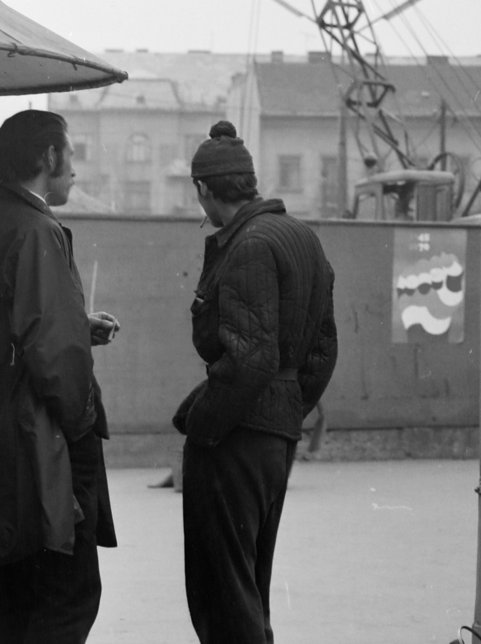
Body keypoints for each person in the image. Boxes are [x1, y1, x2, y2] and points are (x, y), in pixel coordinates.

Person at [0, 109, 120, 644]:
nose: (75, 172)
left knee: (7, 602)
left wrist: (72, 325)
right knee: (65, 600)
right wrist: (85, 426)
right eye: (70, 157)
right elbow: (58, 366)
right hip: (42, 452)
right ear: (48, 157)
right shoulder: (38, 230)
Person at [173, 121, 338, 644]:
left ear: (203, 189)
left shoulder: (247, 246)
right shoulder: (302, 238)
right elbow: (323, 350)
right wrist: (287, 411)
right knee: (249, 588)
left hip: (235, 439)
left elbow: (249, 360)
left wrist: (203, 427)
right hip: (275, 437)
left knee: (223, 595)